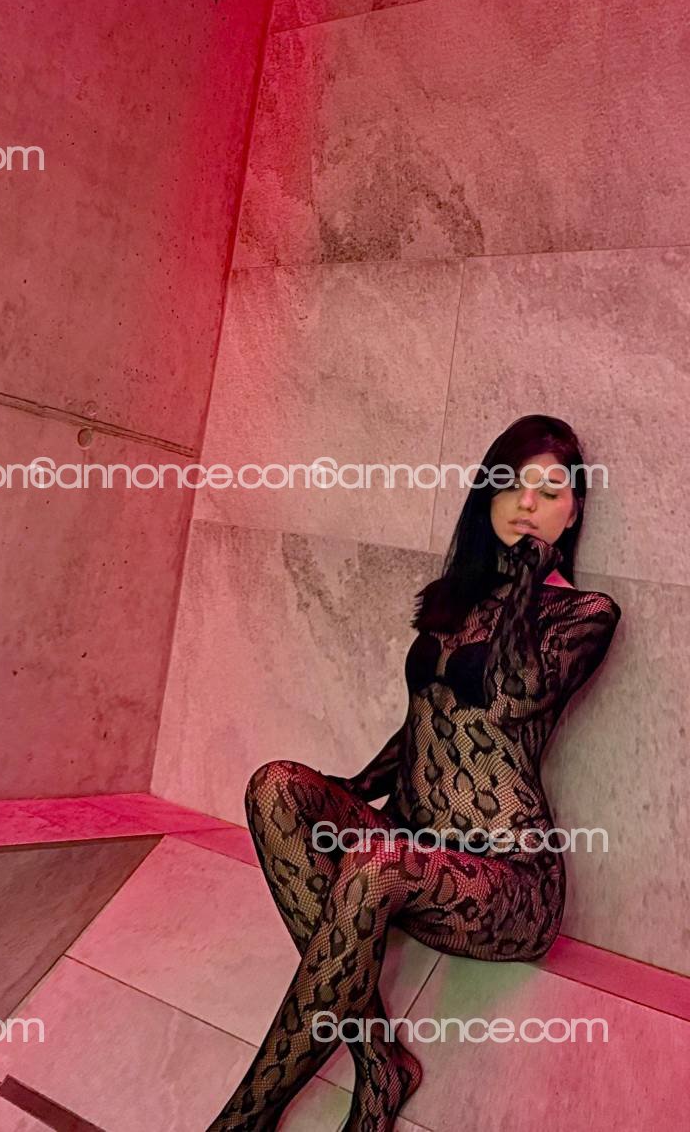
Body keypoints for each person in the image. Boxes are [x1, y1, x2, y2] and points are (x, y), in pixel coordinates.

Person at [205, 415, 622, 1131]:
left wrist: (529, 573)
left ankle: (243, 1121)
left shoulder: (585, 613)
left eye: (550, 491)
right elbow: (427, 724)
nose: (526, 503)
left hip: (507, 878)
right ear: (485, 498)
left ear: (574, 511)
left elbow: (511, 696)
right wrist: (346, 793)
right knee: (276, 786)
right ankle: (380, 1065)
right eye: (510, 486)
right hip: (410, 844)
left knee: (376, 864)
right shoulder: (455, 602)